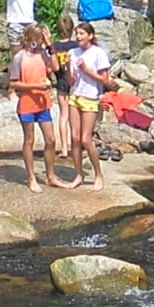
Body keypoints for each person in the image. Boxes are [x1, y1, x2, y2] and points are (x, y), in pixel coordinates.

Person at [9, 24, 67, 193]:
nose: (41, 42)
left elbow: (56, 68)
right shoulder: (20, 57)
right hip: (27, 105)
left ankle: (50, 176)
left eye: (43, 38)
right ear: (30, 39)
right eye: (40, 38)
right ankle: (31, 177)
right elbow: (13, 83)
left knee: (51, 140)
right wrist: (35, 86)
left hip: (43, 104)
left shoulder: (44, 55)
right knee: (29, 140)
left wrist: (50, 45)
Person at [66, 22, 111, 191]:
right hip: (75, 96)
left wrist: (86, 69)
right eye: (77, 34)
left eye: (82, 34)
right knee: (75, 138)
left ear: (90, 36)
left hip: (90, 97)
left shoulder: (98, 53)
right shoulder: (72, 53)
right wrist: (67, 68)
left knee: (86, 138)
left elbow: (105, 79)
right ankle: (78, 174)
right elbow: (70, 81)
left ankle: (98, 174)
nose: (78, 37)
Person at [51, 14, 79, 159]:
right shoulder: (76, 46)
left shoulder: (54, 47)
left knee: (63, 115)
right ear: (72, 29)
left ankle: (64, 149)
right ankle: (76, 146)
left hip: (61, 82)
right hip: (75, 83)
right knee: (75, 117)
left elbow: (53, 67)